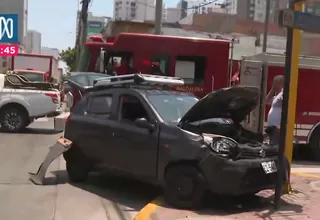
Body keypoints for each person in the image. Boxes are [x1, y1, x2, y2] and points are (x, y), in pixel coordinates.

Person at [265, 75, 284, 145]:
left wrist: (280, 125)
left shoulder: (283, 94)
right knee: (272, 144)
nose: (273, 85)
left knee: (275, 145)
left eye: (274, 83)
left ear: (280, 83)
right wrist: (272, 89)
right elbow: (266, 101)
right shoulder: (277, 96)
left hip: (277, 127)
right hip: (272, 126)